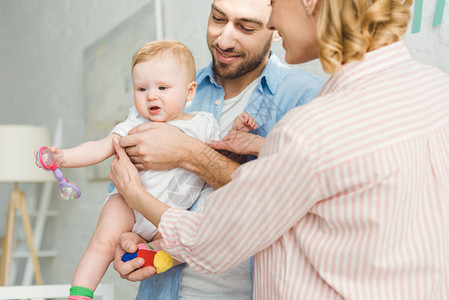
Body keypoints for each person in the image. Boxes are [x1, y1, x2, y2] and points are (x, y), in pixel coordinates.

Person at [110, 0, 449, 299]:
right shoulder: (438, 90)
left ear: (311, 2)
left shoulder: (311, 126)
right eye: (218, 17)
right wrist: (127, 233)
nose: (273, 22)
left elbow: (214, 238)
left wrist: (140, 187)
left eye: (274, 3)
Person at [111, 0, 324, 299]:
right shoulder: (168, 89)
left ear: (275, 27)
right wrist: (128, 237)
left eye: (246, 26)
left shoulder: (307, 97)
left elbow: (287, 207)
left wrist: (189, 153)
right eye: (217, 18)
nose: (224, 39)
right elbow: (127, 184)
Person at [35, 40, 224, 300]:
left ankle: (152, 254)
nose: (151, 95)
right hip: (126, 204)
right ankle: (80, 294)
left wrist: (241, 131)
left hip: (167, 214)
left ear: (190, 91)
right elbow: (100, 148)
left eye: (163, 87)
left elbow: (221, 158)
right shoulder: (135, 122)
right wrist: (63, 157)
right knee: (102, 243)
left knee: (182, 245)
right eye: (141, 88)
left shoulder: (205, 125)